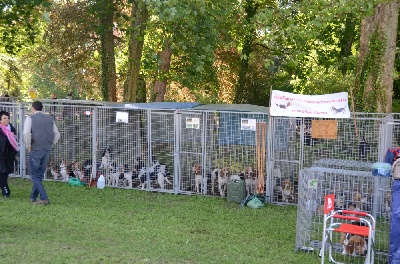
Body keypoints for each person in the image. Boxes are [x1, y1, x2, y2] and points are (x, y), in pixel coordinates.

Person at [23, 101, 60, 205]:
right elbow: (57, 134)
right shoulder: (49, 119)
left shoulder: (30, 118)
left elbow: (26, 133)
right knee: (39, 174)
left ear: (33, 108)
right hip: (46, 149)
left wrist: (28, 145)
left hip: (35, 149)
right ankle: (33, 196)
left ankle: (44, 197)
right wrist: (51, 144)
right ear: (42, 109)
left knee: (34, 175)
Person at [0, 111, 19, 198]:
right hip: (1, 155)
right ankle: (6, 192)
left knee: (5, 173)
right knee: (3, 173)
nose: (7, 120)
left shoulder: (12, 128)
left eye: (8, 118)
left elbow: (14, 142)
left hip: (9, 155)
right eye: (4, 118)